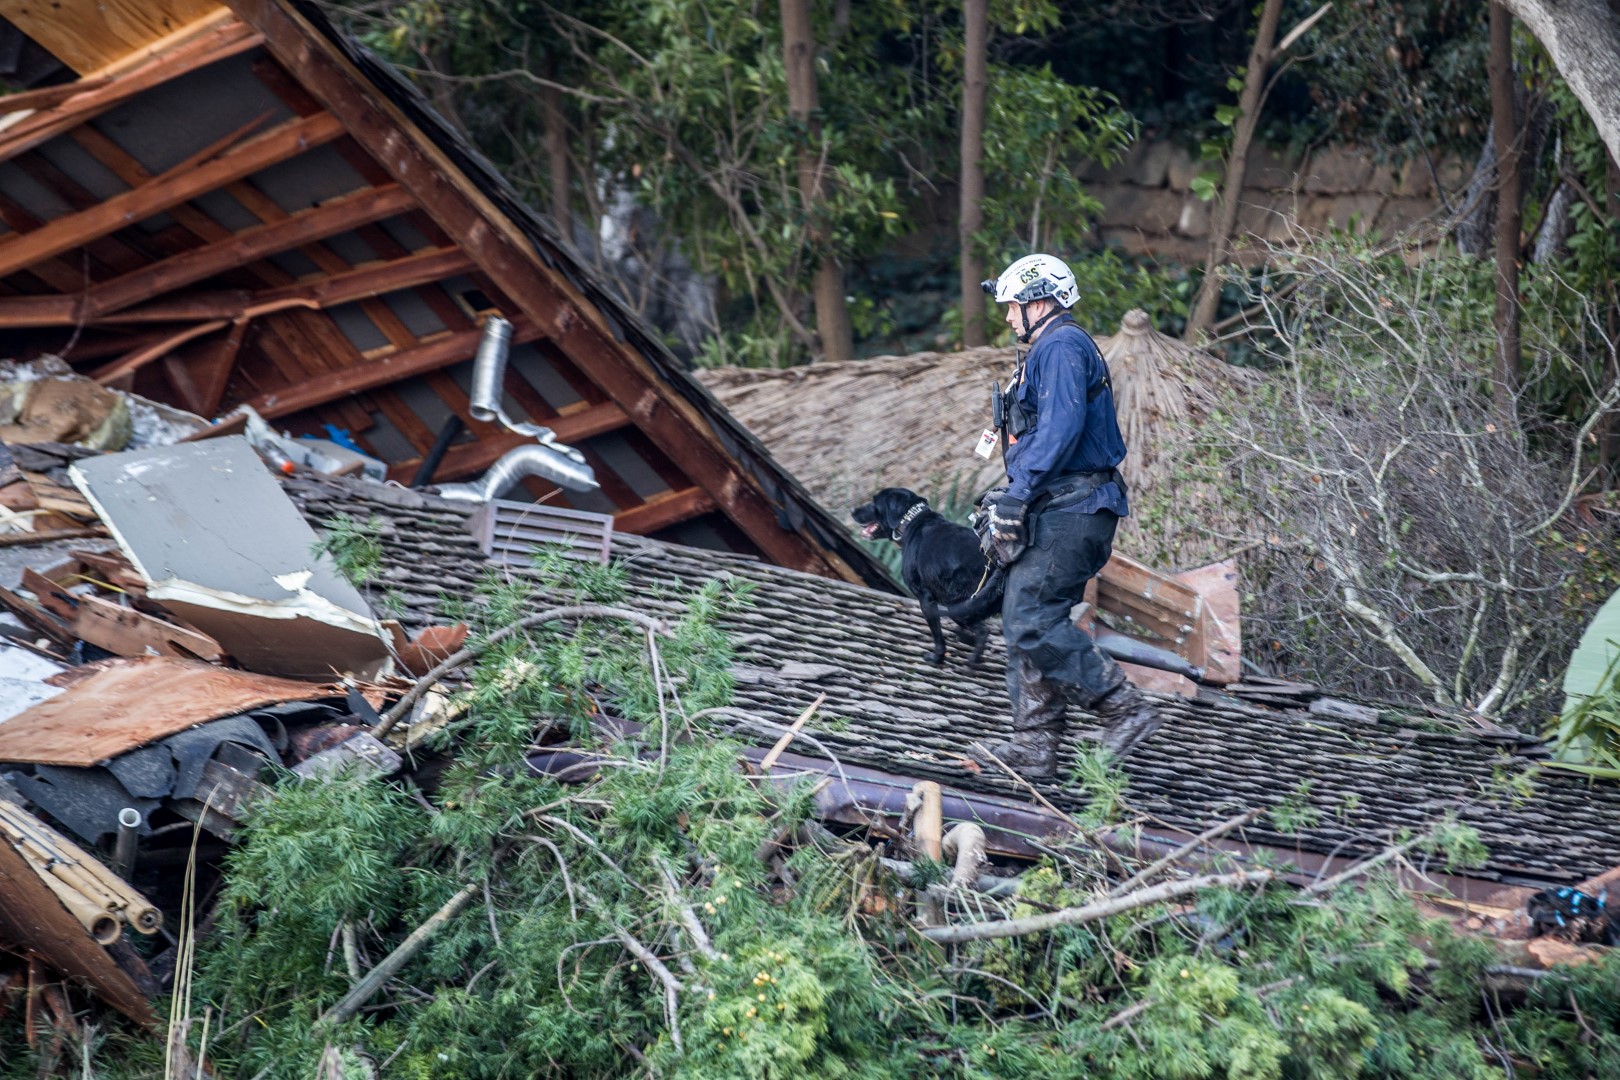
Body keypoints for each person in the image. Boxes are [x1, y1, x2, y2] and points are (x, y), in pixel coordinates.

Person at [969, 253, 1162, 780]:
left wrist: (1021, 491)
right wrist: (1011, 494)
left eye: (1012, 306)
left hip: (1075, 510)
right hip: (1062, 506)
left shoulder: (1061, 346)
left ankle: (1123, 708)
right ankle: (1034, 745)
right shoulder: (1048, 350)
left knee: (1030, 617)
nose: (1008, 318)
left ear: (1039, 301)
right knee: (1023, 616)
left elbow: (1061, 427)